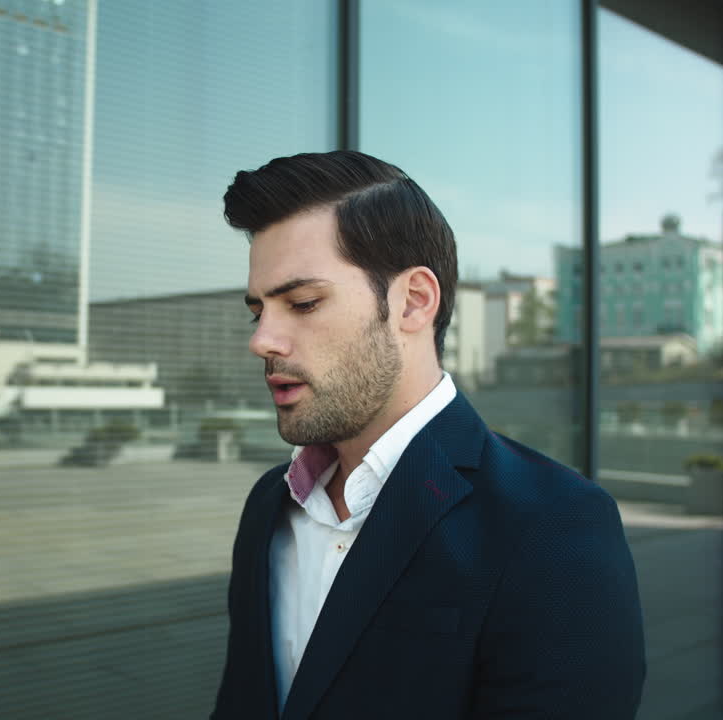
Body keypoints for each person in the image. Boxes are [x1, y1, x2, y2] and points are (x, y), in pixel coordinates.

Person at [211, 151, 645, 719]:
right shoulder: (269, 506)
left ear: (414, 301)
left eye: (303, 303)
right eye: (258, 311)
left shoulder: (553, 528)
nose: (263, 340)